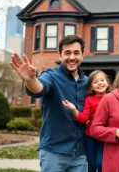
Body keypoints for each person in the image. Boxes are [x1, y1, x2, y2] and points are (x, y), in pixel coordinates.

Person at [10, 35, 88, 172]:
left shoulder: (87, 82)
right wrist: (30, 79)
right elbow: (39, 88)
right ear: (60, 55)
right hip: (54, 151)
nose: (72, 57)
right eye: (67, 53)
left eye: (76, 53)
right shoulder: (51, 76)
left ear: (82, 55)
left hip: (80, 154)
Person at [63, 70, 111, 172]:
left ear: (107, 83)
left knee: (100, 162)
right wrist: (74, 109)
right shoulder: (89, 99)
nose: (99, 83)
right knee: (92, 164)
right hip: (90, 136)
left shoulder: (112, 98)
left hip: (105, 136)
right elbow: (84, 118)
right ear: (91, 87)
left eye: (102, 80)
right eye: (95, 82)